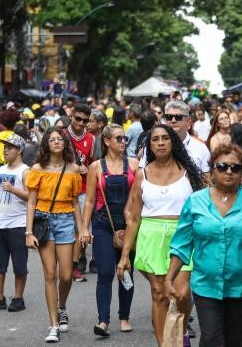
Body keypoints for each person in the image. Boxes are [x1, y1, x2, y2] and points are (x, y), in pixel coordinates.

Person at [166, 142, 242, 347]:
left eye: (235, 167)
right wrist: (169, 279)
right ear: (212, 170)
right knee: (212, 339)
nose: (228, 172)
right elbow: (181, 245)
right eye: (222, 167)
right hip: (206, 286)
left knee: (238, 342)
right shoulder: (195, 202)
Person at [117, 124, 205, 346]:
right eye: (155, 139)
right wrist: (125, 255)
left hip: (182, 237)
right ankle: (165, 344)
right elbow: (134, 218)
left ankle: (180, 332)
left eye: (165, 138)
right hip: (151, 238)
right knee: (159, 293)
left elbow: (203, 208)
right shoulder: (141, 175)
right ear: (149, 145)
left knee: (183, 293)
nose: (161, 143)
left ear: (173, 142)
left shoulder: (188, 173)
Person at [79, 124, 139, 337]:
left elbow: (139, 198)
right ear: (106, 141)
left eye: (125, 139)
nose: (123, 142)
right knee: (105, 273)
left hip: (129, 224)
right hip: (103, 224)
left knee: (126, 271)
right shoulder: (96, 166)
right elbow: (89, 201)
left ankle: (124, 317)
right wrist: (85, 227)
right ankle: (103, 321)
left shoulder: (134, 164)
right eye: (119, 139)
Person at [24, 129, 83, 343]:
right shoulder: (37, 169)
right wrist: (28, 232)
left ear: (65, 144)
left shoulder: (73, 169)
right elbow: (31, 202)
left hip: (66, 219)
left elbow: (76, 202)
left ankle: (62, 307)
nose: (57, 142)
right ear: (46, 144)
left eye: (60, 139)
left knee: (66, 275)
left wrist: (83, 229)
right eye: (52, 139)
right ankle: (53, 325)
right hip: (44, 220)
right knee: (50, 273)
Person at [0, 134, 30, 312]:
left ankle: (18, 297)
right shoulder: (0, 170)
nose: (5, 150)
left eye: (10, 147)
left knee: (19, 264)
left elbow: (32, 196)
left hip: (18, 224)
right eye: (4, 147)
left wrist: (14, 189)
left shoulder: (25, 171)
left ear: (20, 150)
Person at [61, 103, 95, 282]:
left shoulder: (91, 139)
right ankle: (64, 265)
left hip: (82, 191)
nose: (81, 123)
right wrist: (73, 168)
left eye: (85, 121)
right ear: (71, 116)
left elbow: (93, 163)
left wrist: (88, 170)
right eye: (78, 119)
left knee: (79, 229)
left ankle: (74, 266)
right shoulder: (61, 135)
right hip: (61, 191)